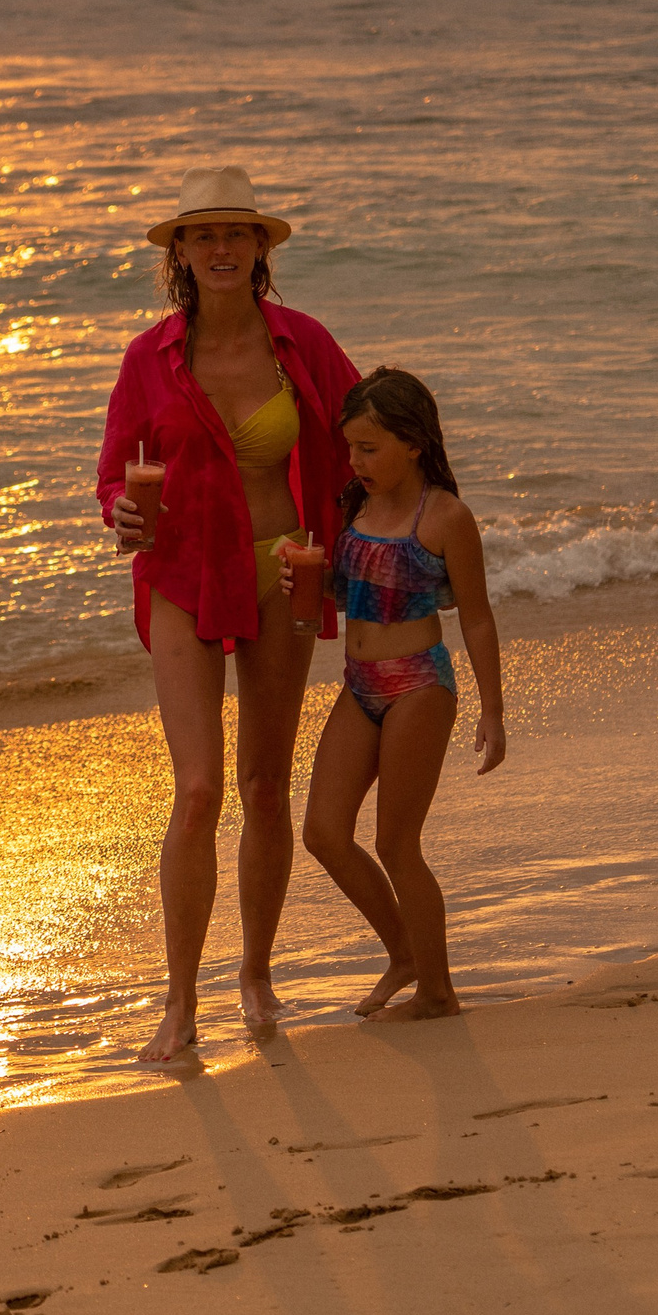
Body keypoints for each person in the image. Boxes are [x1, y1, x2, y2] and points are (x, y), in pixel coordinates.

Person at [97, 164, 361, 1058]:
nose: (218, 247)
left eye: (234, 233)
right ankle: (179, 1000)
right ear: (179, 251)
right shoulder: (148, 358)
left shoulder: (304, 346)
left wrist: (399, 536)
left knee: (263, 786)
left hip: (284, 571)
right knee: (199, 788)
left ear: (259, 250)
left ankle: (256, 973)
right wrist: (120, 512)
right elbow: (112, 475)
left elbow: (369, 438)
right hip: (180, 574)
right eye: (201, 234)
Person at [290, 368, 507, 1022]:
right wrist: (305, 582)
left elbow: (477, 617)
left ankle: (438, 991)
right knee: (324, 832)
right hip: (359, 686)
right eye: (350, 448)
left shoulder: (445, 516)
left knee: (396, 842)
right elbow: (351, 592)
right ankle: (404, 953)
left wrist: (493, 711)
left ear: (414, 442)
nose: (355, 462)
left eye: (369, 448)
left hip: (419, 684)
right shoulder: (352, 506)